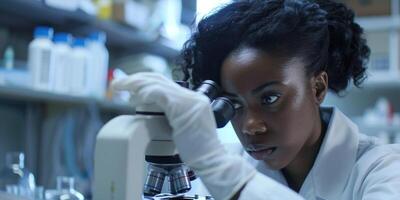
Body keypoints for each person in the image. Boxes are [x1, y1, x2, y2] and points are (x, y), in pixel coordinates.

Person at [113, 0, 400, 199]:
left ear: (317, 88)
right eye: (233, 104)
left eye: (270, 98)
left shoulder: (384, 169)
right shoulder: (236, 167)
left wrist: (218, 168)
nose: (250, 126)